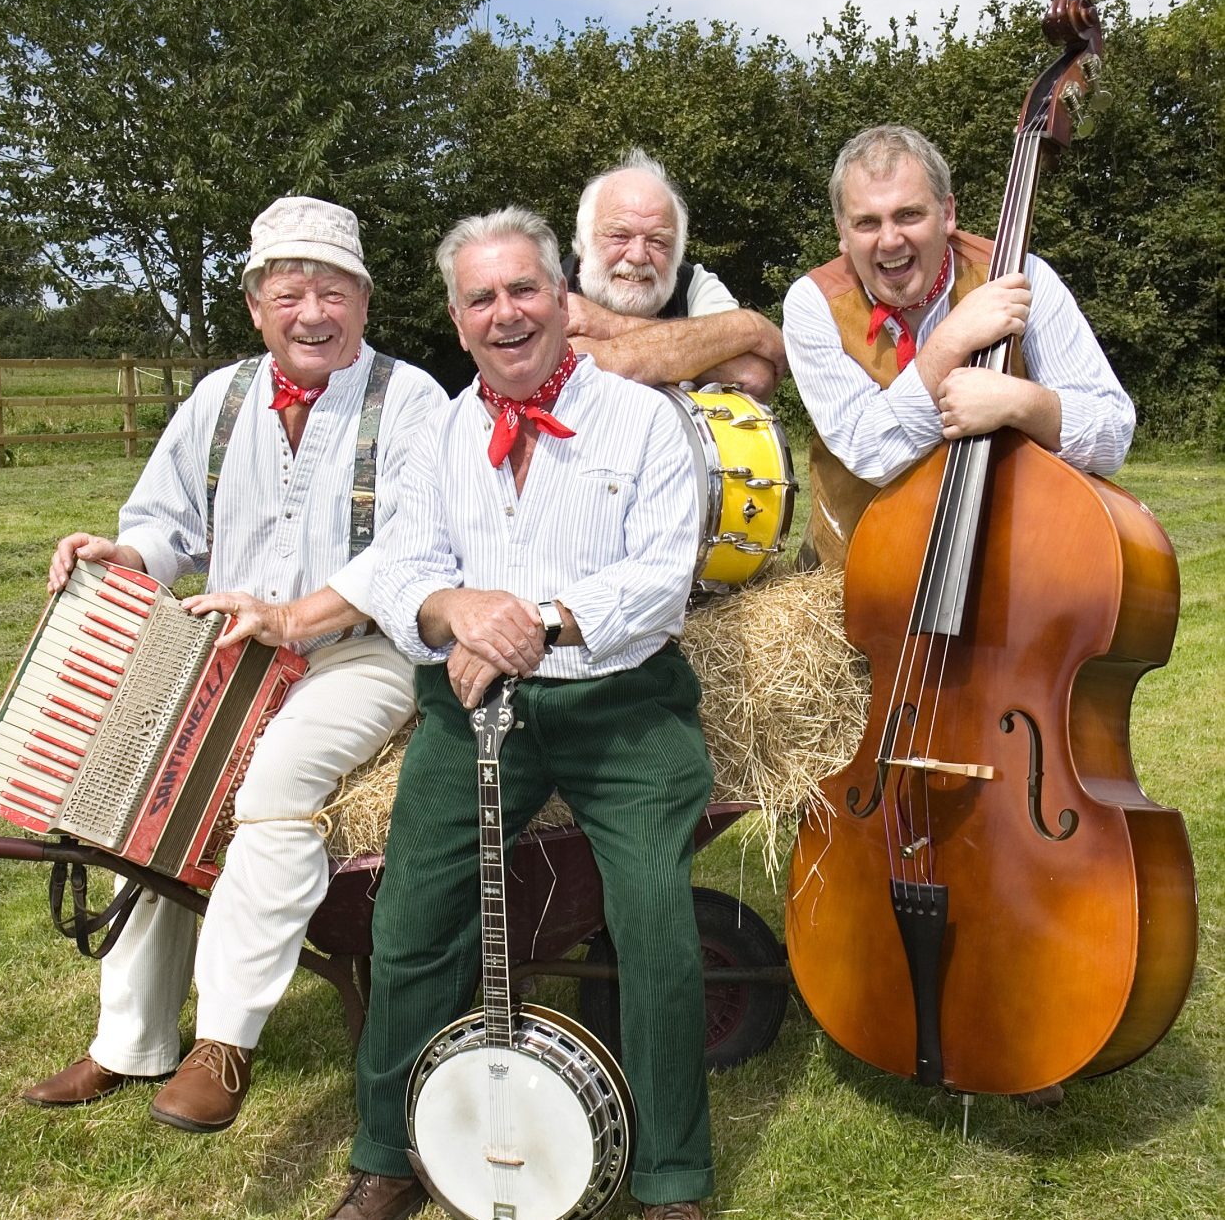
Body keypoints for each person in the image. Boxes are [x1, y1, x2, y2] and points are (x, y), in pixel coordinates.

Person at [249, 206, 713, 1220]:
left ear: (561, 299)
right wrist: (457, 609)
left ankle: (672, 1175)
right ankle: (389, 1153)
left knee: (653, 922)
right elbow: (406, 566)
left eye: (523, 290)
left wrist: (535, 621)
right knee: (413, 916)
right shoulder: (441, 436)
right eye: (480, 298)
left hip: (622, 704)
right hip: (473, 706)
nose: (505, 315)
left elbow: (660, 580)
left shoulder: (646, 420)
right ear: (457, 323)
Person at [22, 196, 445, 1134]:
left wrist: (293, 616)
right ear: (256, 305)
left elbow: (415, 551)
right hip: (231, 638)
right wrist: (122, 558)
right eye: (290, 291)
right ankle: (128, 1042)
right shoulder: (218, 397)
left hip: (362, 647)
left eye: (332, 290)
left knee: (274, 781)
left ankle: (225, 1042)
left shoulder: (412, 400)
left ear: (365, 302)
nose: (313, 313)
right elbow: (163, 521)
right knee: (145, 779)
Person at [783, 123, 1135, 570]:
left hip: (999, 577)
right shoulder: (812, 302)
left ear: (947, 213)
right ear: (842, 232)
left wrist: (1022, 403)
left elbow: (1113, 436)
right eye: (867, 222)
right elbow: (867, 450)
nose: (889, 240)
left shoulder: (1022, 277)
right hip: (855, 580)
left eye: (909, 215)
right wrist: (950, 340)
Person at [564, 148, 786, 401]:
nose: (638, 256)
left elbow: (755, 375)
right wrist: (746, 329)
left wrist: (609, 328)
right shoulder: (542, 289)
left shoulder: (695, 285)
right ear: (583, 242)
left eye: (658, 241)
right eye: (619, 235)